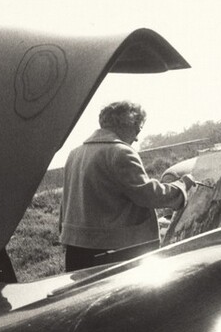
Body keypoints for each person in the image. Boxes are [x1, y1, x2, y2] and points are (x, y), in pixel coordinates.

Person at [60, 100, 195, 272]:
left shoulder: (75, 153)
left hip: (76, 248)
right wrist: (182, 186)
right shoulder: (119, 152)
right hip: (112, 250)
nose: (137, 138)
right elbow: (148, 195)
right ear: (127, 124)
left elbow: (66, 202)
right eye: (137, 129)